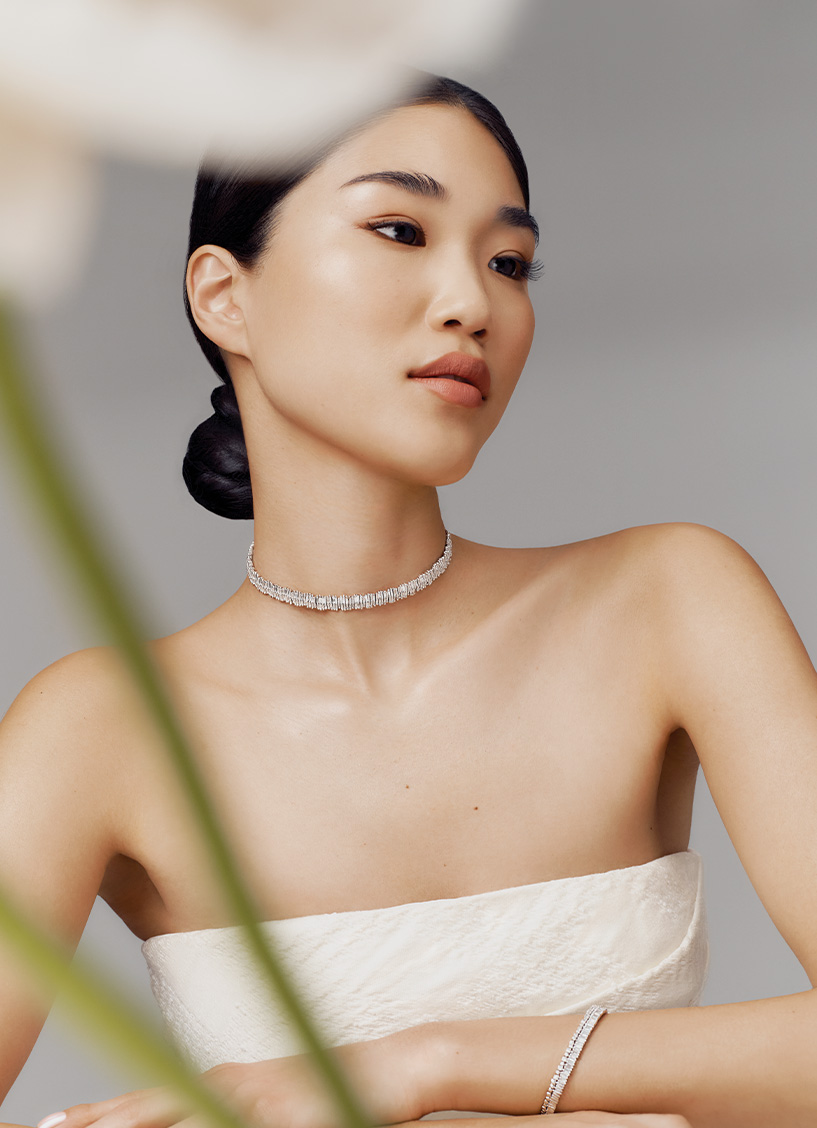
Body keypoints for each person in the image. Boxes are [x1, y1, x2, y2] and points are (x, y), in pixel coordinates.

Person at [1, 72, 816, 1128]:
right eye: (399, 228)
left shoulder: (670, 601)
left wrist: (430, 1065)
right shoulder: (99, 729)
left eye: (508, 262)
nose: (471, 302)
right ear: (222, 296)